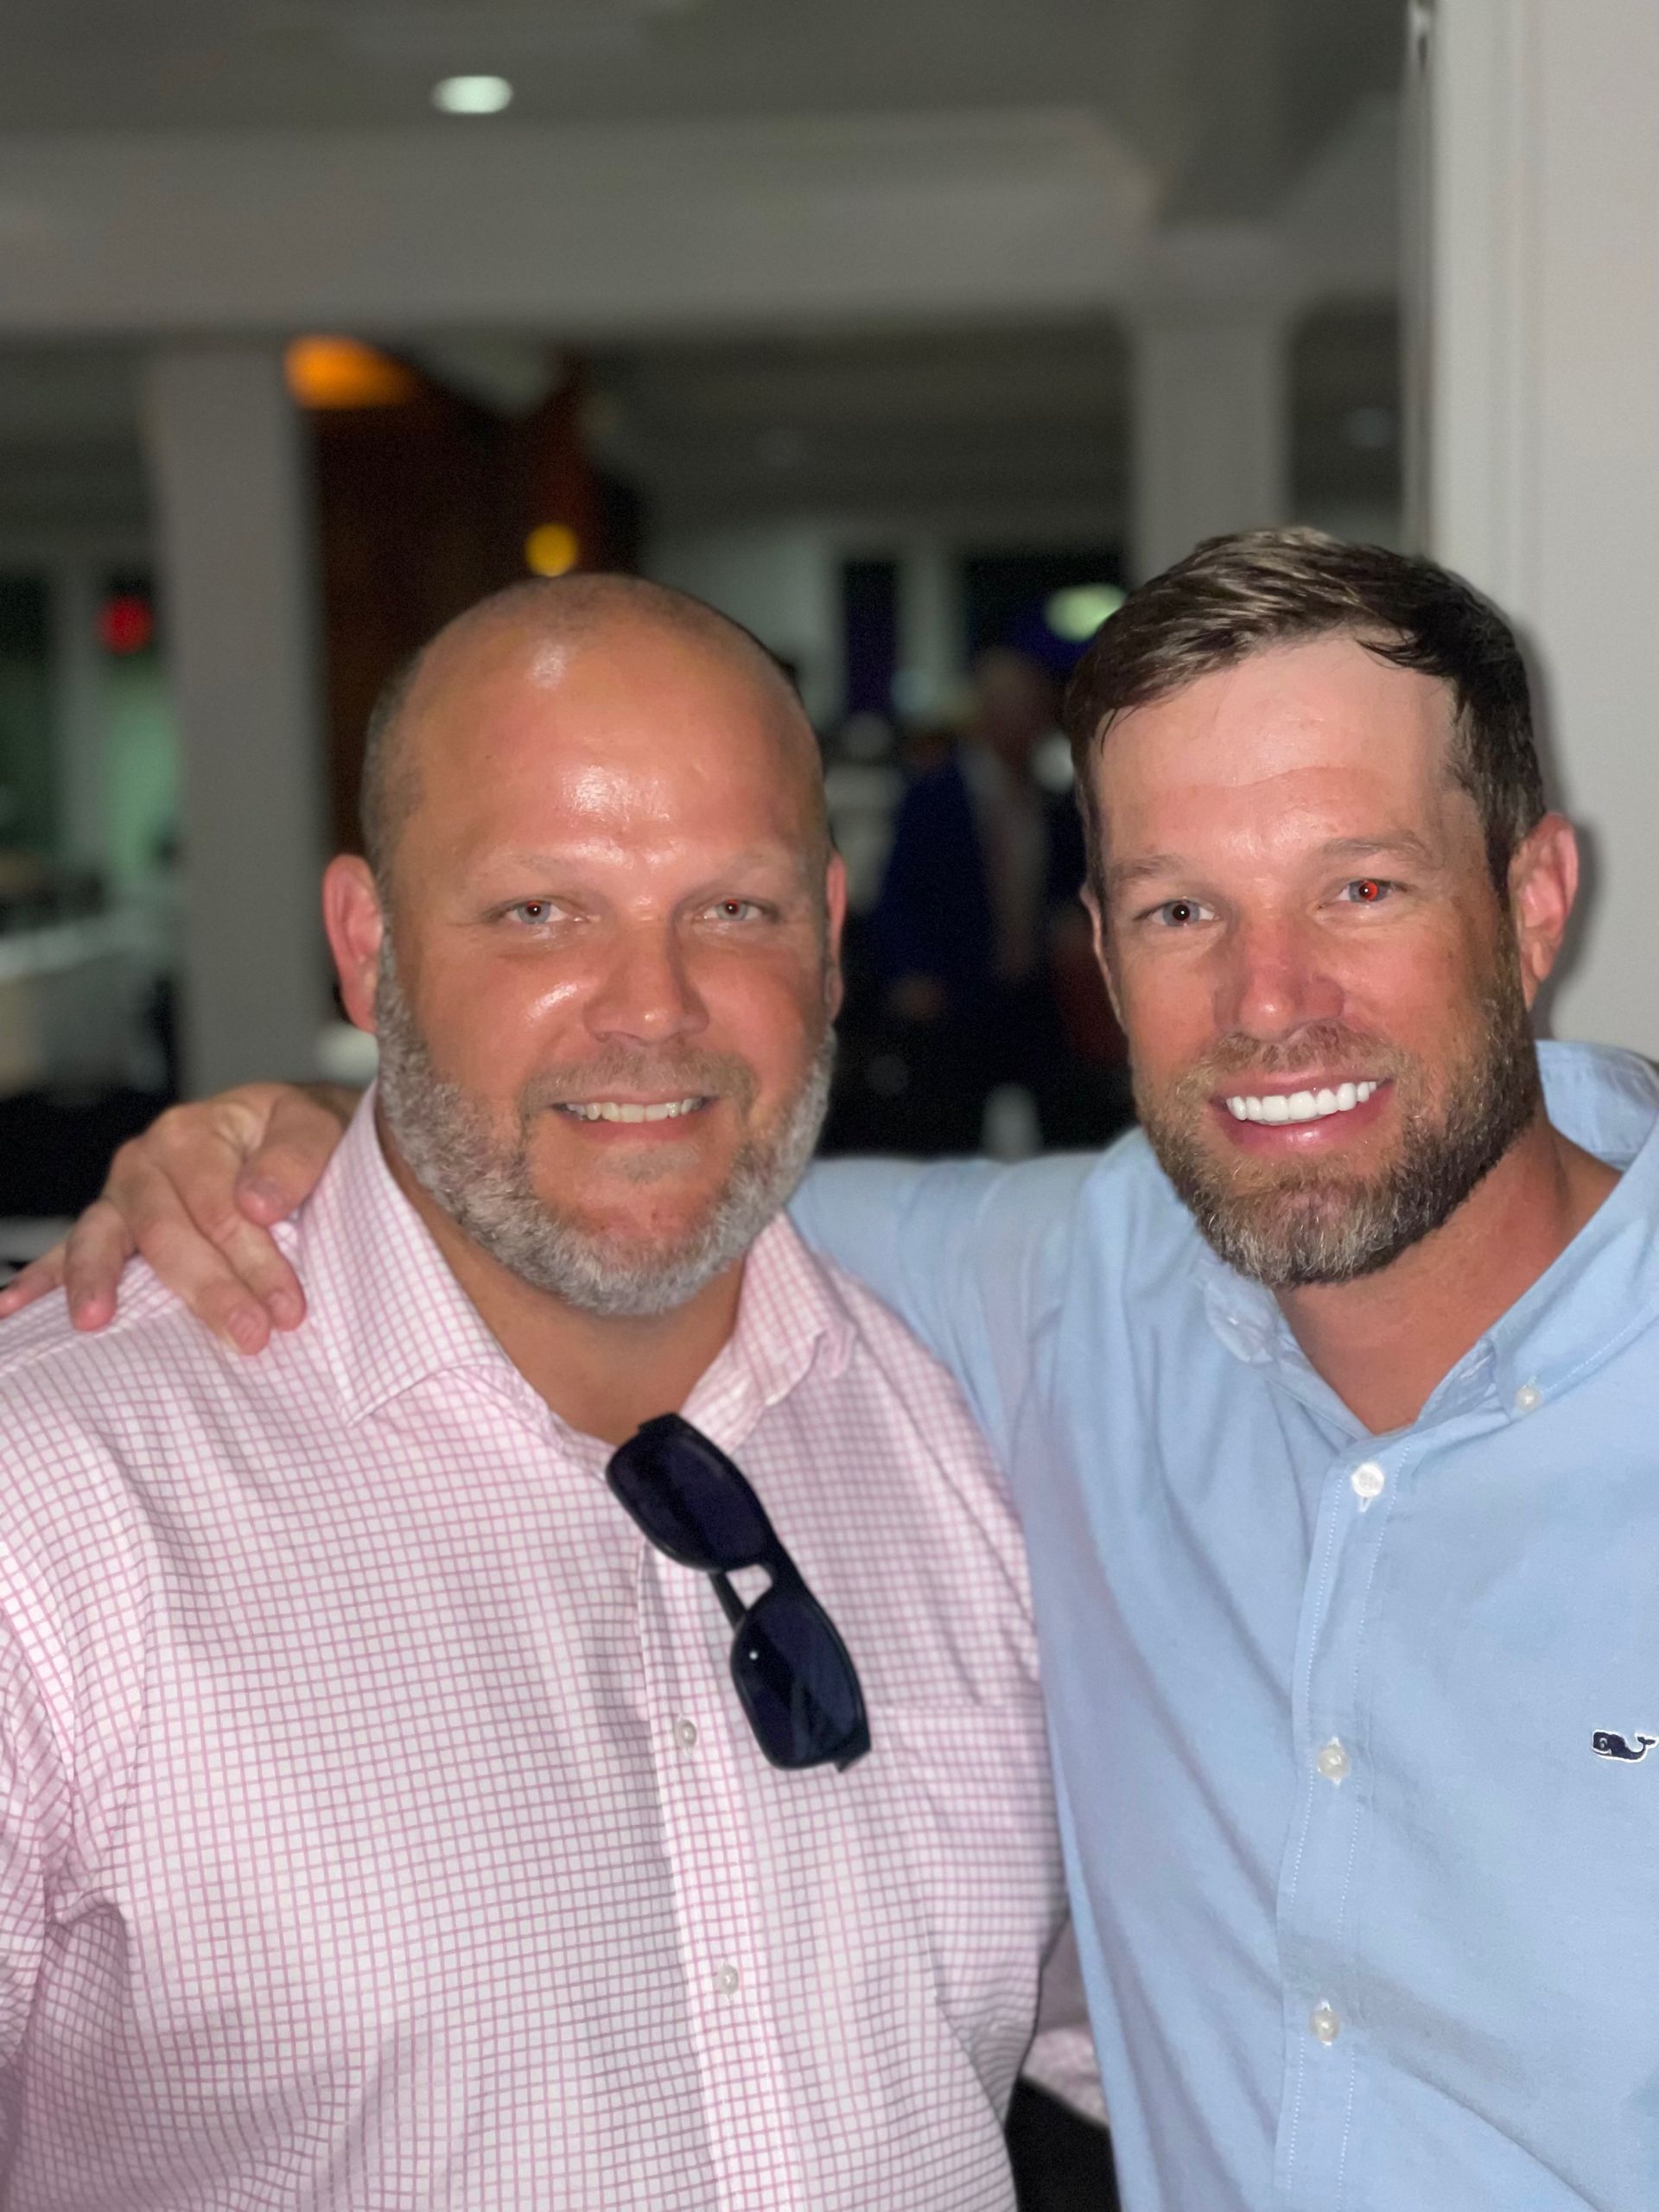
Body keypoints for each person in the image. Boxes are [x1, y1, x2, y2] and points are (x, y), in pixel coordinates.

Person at [19, 526, 1650, 2212]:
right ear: (368, 949)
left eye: (1362, 885)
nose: (1273, 996)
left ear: (1533, 902)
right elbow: (603, 1198)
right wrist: (334, 1143)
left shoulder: (952, 1401)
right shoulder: (1026, 1323)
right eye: (538, 912)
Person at [0, 575, 1088, 2208]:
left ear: (833, 937)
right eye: (539, 913)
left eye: (734, 909)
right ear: (370, 948)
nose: (652, 1009)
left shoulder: (973, 1433)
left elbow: (1227, 2020)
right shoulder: (57, 1507)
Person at [868, 648, 1122, 1152]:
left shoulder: (1052, 801)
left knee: (1060, 1126)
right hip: (955, 992)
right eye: (1013, 707)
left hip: (1035, 992)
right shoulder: (934, 795)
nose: (1026, 721)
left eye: (1034, 707)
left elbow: (1070, 888)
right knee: (952, 1130)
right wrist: (912, 972)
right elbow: (898, 893)